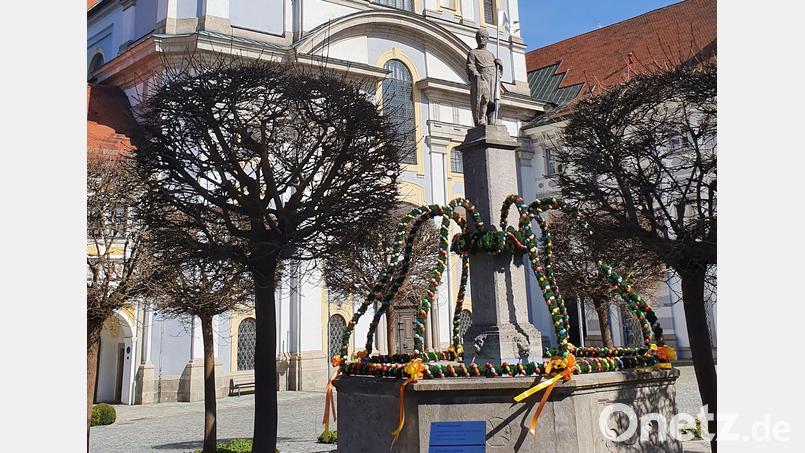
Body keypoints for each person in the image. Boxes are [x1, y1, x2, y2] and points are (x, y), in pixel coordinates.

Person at [466, 28, 503, 126]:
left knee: (493, 101)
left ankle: (491, 120)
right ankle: (481, 119)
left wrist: (499, 65)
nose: (481, 39)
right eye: (479, 37)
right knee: (484, 98)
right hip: (482, 77)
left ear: (487, 39)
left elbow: (498, 70)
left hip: (492, 78)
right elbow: (470, 65)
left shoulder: (491, 54)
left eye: (483, 37)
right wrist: (475, 73)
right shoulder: (473, 52)